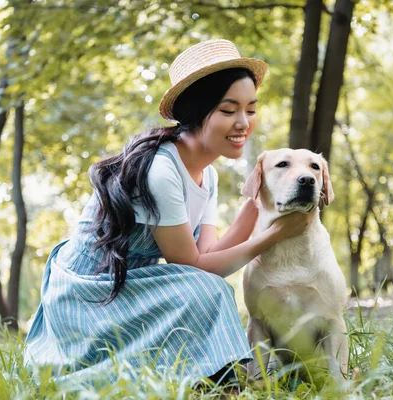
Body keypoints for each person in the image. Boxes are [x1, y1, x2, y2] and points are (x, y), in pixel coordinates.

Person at [24, 39, 314, 388]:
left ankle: (218, 382)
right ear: (196, 111)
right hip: (89, 293)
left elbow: (209, 256)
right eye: (227, 110)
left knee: (207, 289)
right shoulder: (161, 170)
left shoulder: (208, 173)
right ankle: (226, 384)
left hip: (130, 285)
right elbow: (191, 268)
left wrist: (255, 204)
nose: (243, 123)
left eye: (250, 110)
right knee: (207, 291)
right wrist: (275, 235)